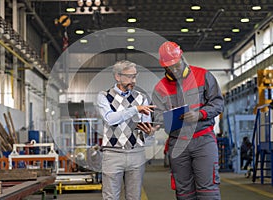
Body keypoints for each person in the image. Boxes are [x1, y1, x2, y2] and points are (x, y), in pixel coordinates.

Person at [152, 41, 224, 200]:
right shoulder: (159, 88)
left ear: (182, 58)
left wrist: (200, 114)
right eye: (171, 67)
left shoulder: (203, 76)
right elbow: (156, 115)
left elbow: (218, 103)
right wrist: (165, 120)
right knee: (184, 193)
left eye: (177, 65)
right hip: (178, 143)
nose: (175, 70)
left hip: (203, 139)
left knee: (208, 192)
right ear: (164, 67)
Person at [96, 60, 158, 200]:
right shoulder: (104, 96)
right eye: (130, 77)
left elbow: (145, 128)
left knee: (134, 197)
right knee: (110, 197)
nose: (133, 80)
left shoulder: (141, 98)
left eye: (135, 76)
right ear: (118, 77)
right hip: (112, 154)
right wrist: (135, 109)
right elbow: (110, 119)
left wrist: (150, 133)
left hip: (136, 153)